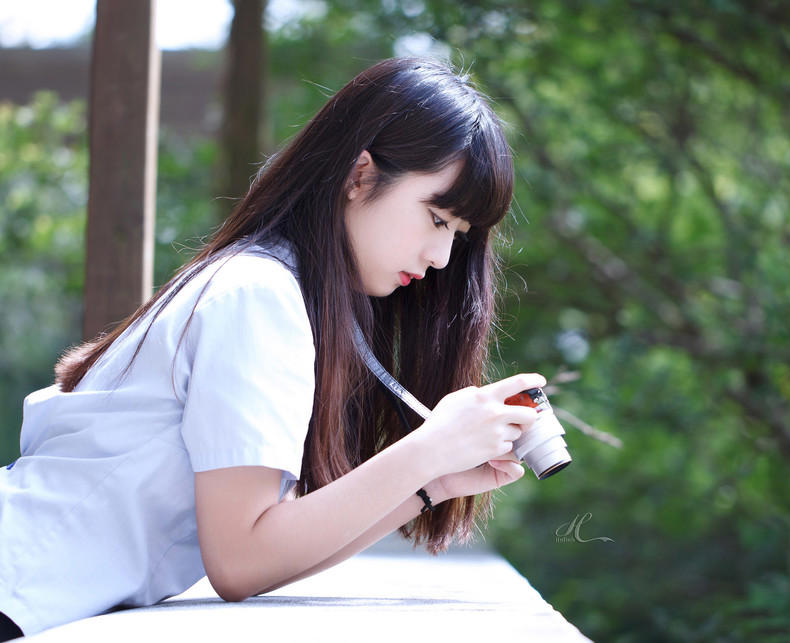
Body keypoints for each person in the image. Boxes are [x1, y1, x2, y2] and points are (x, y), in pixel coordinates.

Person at [0, 57, 544, 639]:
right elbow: (240, 561)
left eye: (457, 237)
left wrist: (434, 480)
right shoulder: (257, 295)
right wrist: (431, 446)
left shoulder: (275, 292)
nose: (442, 259)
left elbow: (265, 554)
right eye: (436, 218)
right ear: (359, 176)